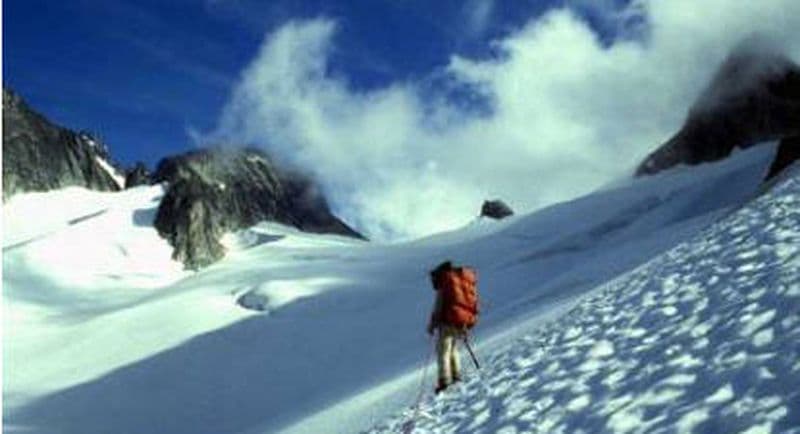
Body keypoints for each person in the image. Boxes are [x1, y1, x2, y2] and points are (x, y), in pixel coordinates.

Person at [427, 261, 463, 394]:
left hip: (447, 323)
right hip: (459, 322)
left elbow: (438, 307)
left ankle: (444, 381)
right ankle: (456, 375)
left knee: (443, 352)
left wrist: (432, 325)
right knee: (453, 349)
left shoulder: (445, 285)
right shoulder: (457, 282)